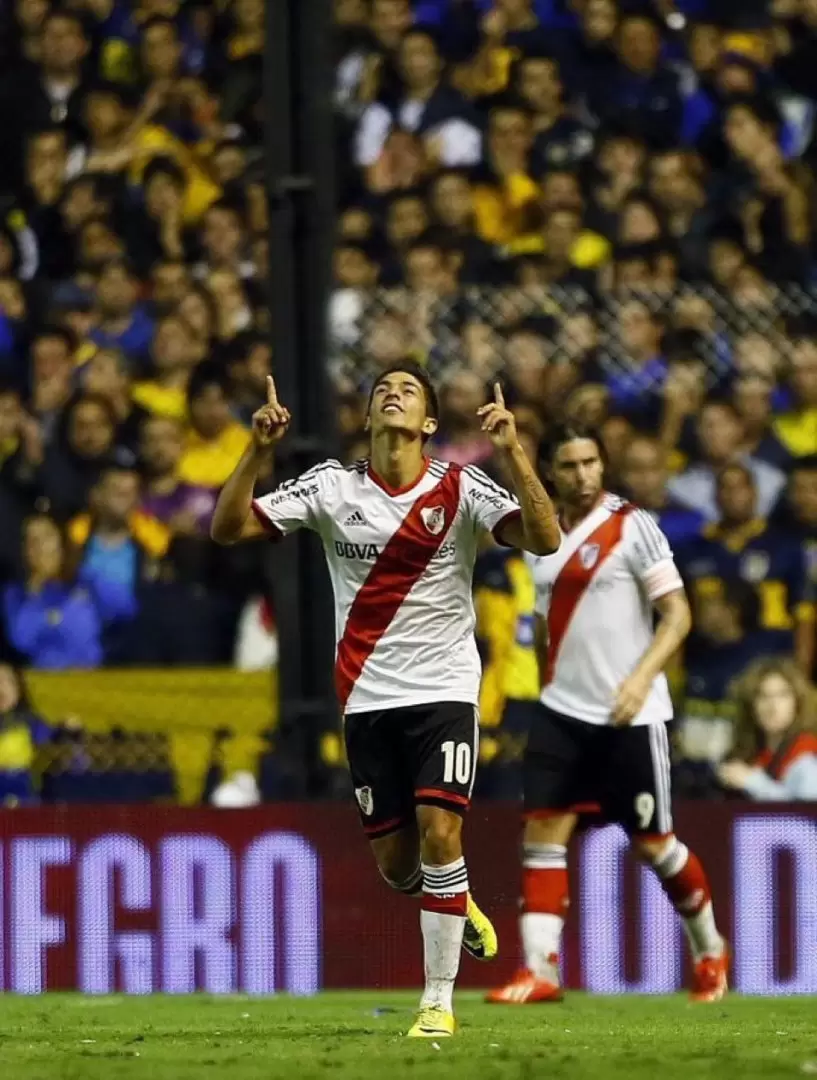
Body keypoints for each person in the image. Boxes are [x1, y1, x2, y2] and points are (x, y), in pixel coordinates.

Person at [211, 360, 560, 1038]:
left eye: (407, 391)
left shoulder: (460, 488)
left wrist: (513, 449)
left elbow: (544, 538)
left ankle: (436, 1001)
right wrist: (256, 449)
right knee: (398, 867)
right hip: (367, 695)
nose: (391, 395)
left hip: (445, 690)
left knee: (440, 833)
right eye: (381, 391)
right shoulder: (331, 487)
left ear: (428, 422)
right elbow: (228, 529)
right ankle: (455, 899)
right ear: (368, 418)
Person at [486, 423, 728, 1006]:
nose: (584, 474)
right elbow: (544, 621)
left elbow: (676, 615)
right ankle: (540, 971)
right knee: (542, 834)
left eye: (591, 462)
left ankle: (710, 950)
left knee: (655, 846)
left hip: (631, 716)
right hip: (561, 714)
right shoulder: (538, 536)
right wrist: (550, 686)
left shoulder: (632, 527)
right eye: (570, 466)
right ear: (550, 473)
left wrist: (641, 679)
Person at [718, 658, 817, 801]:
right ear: (751, 706)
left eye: (783, 695)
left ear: (797, 703)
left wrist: (753, 782)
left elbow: (807, 817)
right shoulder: (747, 751)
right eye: (763, 696)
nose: (773, 706)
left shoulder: (808, 758)